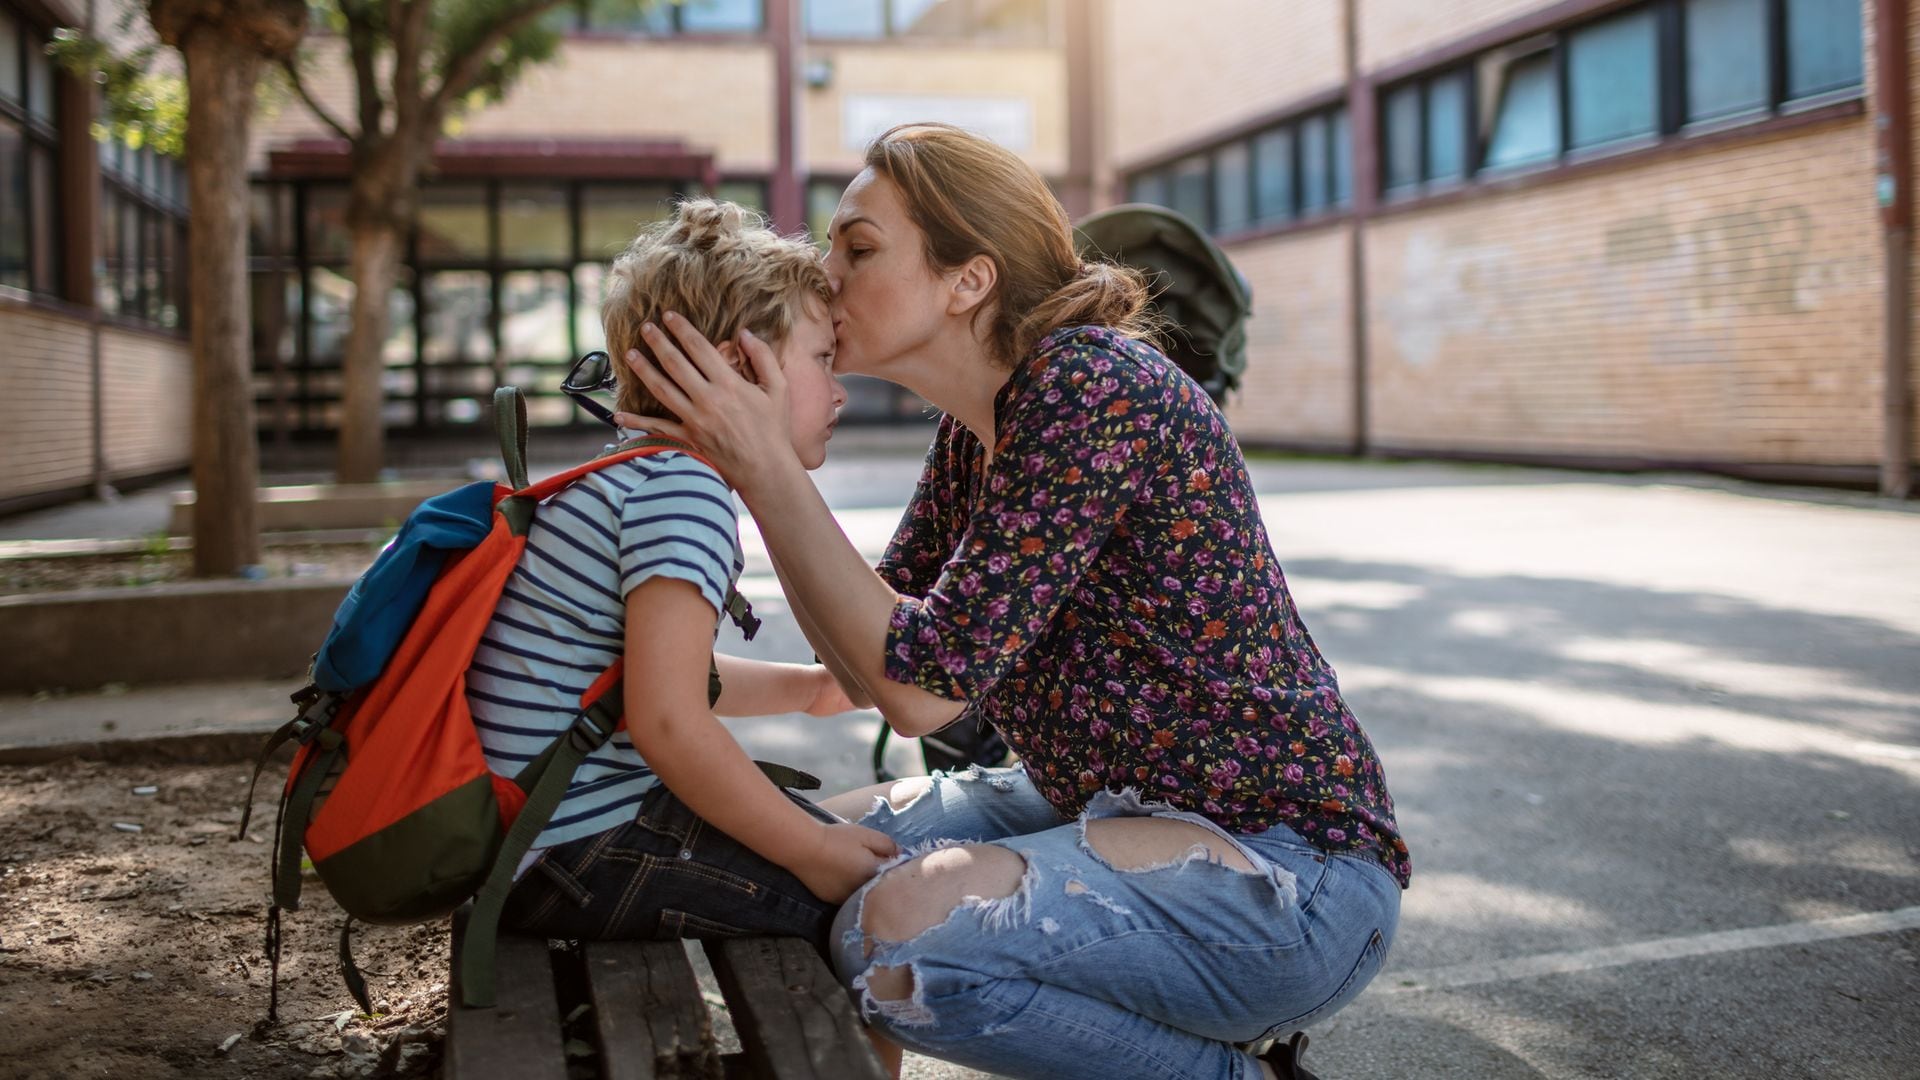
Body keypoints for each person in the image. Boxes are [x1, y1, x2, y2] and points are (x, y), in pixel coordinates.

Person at [615, 125, 1412, 1080]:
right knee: (811, 854)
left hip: (1288, 871)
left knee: (897, 934)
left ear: (968, 280)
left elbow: (921, 691)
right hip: (1104, 802)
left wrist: (766, 466)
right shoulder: (975, 429)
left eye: (859, 248)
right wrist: (749, 461)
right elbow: (873, 657)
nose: (826, 277)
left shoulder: (1089, 387)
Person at [469, 198, 897, 951]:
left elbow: (648, 680)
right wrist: (813, 851)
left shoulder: (631, 471)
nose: (839, 391)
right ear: (739, 367)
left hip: (537, 839)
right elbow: (668, 721)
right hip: (574, 848)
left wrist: (804, 689)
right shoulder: (685, 491)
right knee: (875, 917)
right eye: (823, 360)